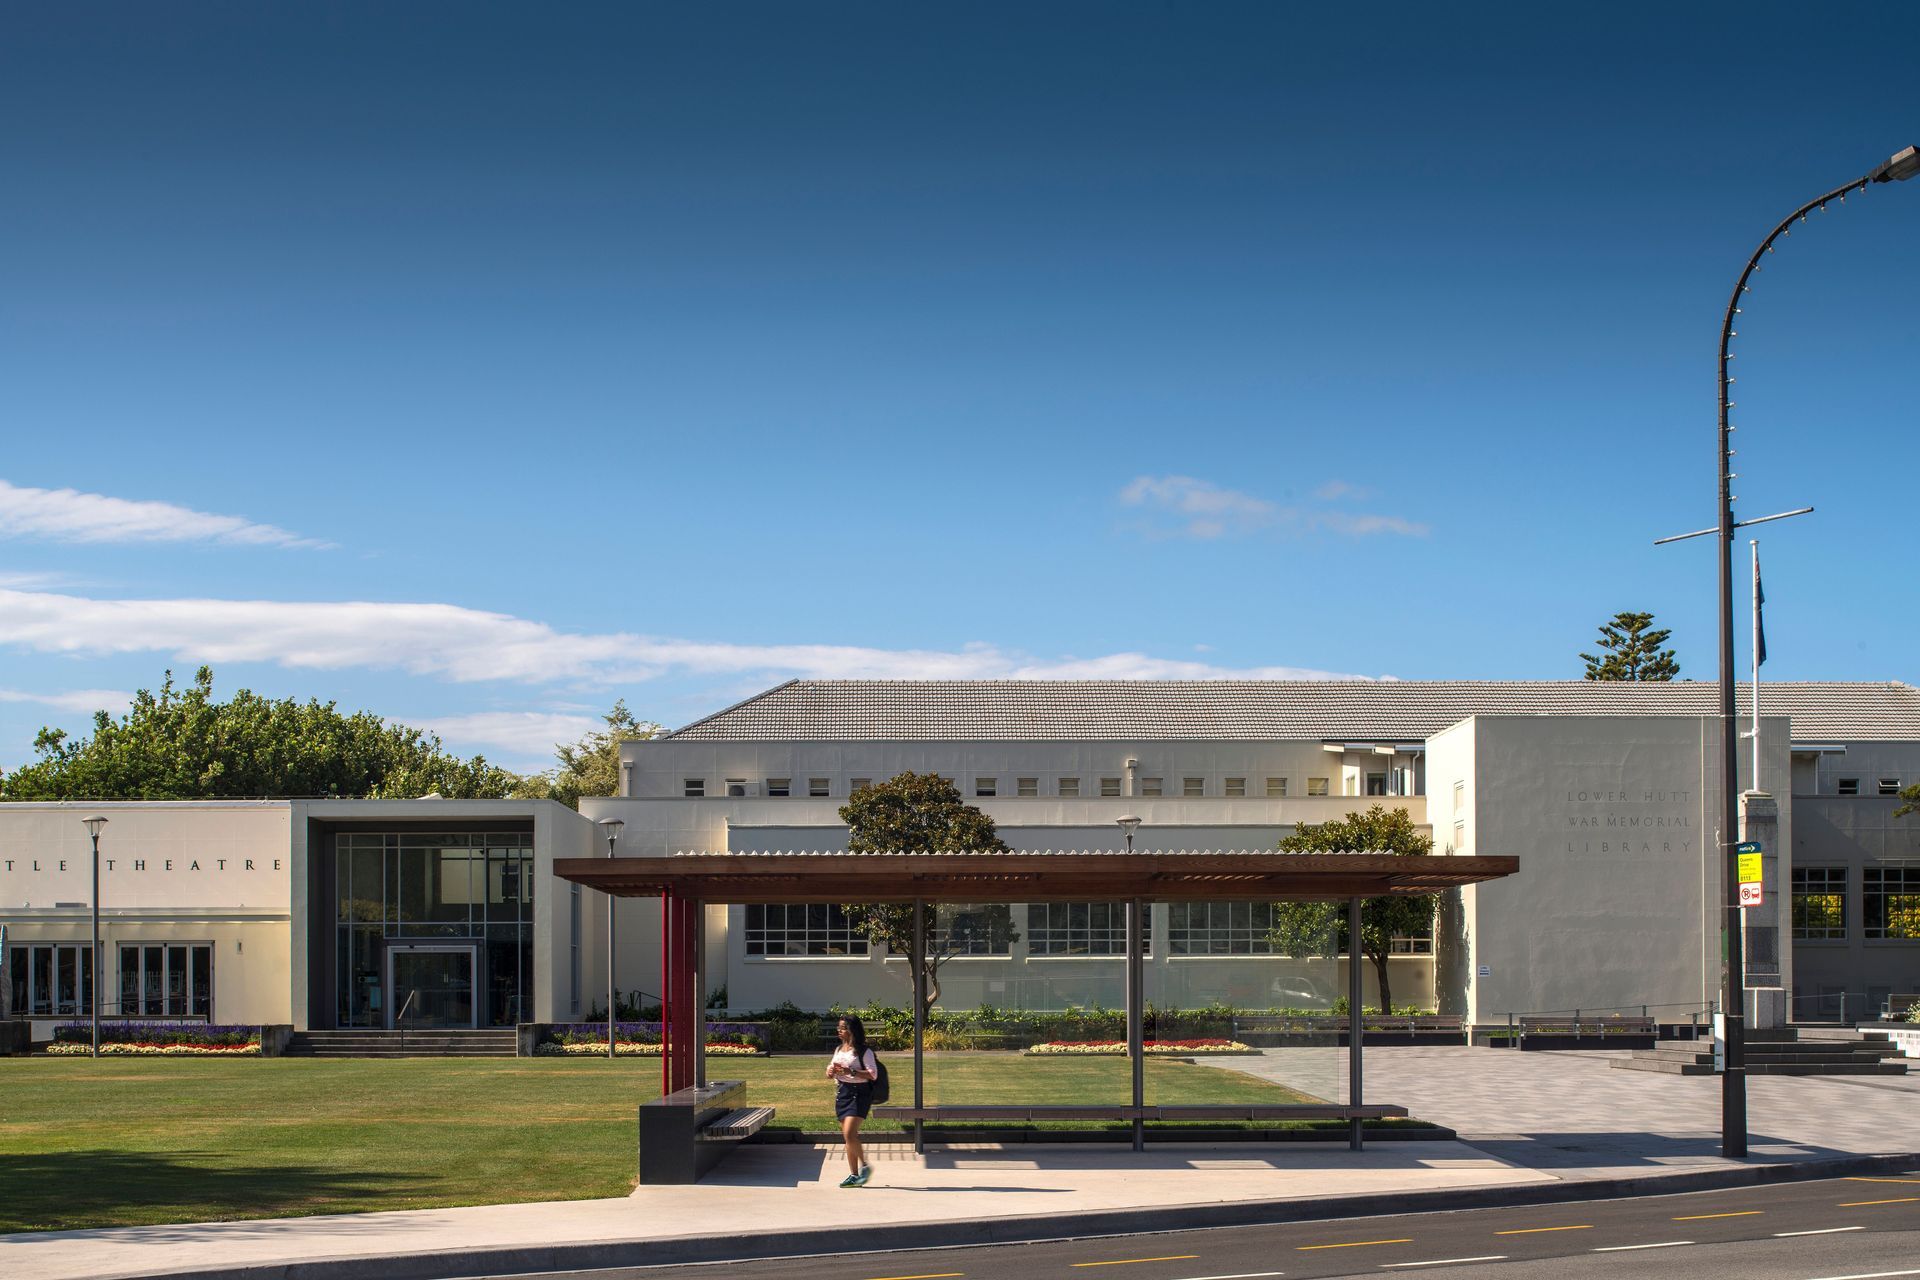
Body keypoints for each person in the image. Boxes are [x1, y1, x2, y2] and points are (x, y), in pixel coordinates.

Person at [826, 1014, 878, 1187]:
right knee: (849, 1137)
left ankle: (865, 1167)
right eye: (838, 1028)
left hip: (859, 1094)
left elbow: (872, 1074)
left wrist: (852, 1072)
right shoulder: (839, 1049)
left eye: (842, 1028)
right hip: (843, 1093)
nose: (839, 1031)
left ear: (851, 1030)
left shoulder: (864, 1051)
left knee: (849, 1134)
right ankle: (854, 1175)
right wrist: (831, 1072)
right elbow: (832, 1068)